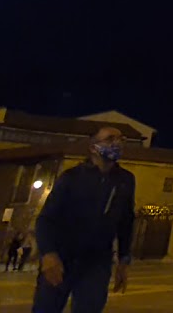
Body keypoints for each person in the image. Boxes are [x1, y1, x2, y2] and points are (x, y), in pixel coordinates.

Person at [32, 127, 135, 313]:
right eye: (110, 139)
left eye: (121, 139)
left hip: (97, 263)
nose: (117, 143)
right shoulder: (71, 178)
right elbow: (46, 219)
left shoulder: (125, 180)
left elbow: (126, 221)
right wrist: (48, 254)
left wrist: (124, 260)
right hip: (62, 258)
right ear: (94, 147)